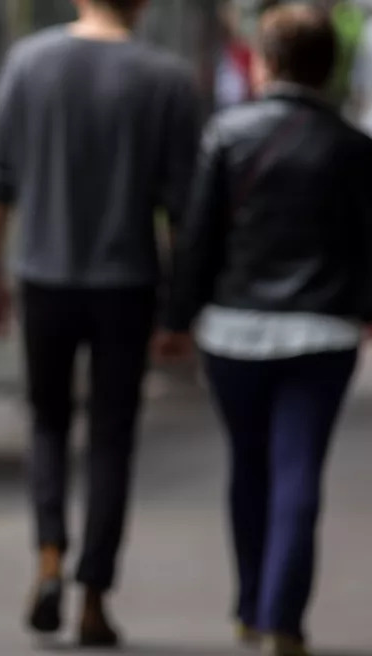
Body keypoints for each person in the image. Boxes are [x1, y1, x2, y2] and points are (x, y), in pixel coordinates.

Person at [0, 0, 201, 645]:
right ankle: (95, 594)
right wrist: (180, 309)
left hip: (44, 276)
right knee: (112, 436)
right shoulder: (167, 79)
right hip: (128, 283)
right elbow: (183, 212)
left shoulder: (28, 63)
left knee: (47, 420)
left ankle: (49, 558)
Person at [158, 5, 372, 656]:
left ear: (268, 61)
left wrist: (175, 320)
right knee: (298, 471)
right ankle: (282, 619)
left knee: (248, 467)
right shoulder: (356, 148)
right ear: (328, 66)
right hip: (324, 336)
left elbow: (198, 241)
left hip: (233, 334)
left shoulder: (228, 134)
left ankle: (251, 606)